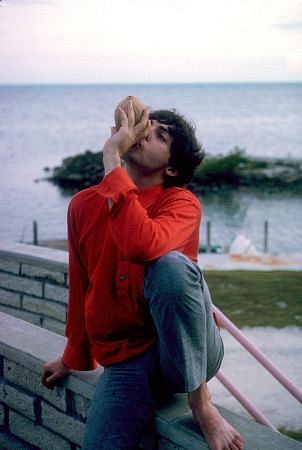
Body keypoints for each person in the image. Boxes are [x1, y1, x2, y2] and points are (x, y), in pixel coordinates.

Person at [41, 101, 244, 450]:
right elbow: (82, 283)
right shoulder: (83, 206)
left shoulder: (180, 203)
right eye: (148, 124)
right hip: (128, 358)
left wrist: (112, 158)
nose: (146, 130)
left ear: (172, 169)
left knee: (169, 266)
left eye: (160, 135)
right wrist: (73, 355)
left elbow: (142, 246)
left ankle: (201, 401)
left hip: (189, 354)